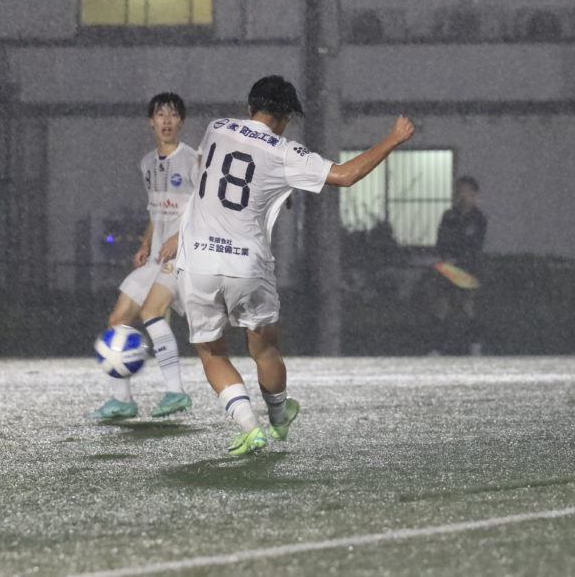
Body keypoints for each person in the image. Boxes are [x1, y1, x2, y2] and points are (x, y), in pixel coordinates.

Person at [173, 75, 415, 456]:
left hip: (198, 260)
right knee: (265, 350)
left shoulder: (217, 128)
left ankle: (249, 428)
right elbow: (346, 175)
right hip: (246, 266)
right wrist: (393, 138)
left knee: (213, 353)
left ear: (249, 107)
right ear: (285, 117)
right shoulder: (285, 152)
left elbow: (211, 175)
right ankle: (278, 415)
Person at [87, 92, 196, 421]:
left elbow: (206, 210)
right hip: (156, 259)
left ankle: (176, 392)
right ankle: (123, 401)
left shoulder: (194, 160)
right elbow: (156, 209)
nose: (167, 121)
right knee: (118, 319)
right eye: (161, 114)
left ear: (181, 121)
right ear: (151, 121)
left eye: (173, 114)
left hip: (183, 256)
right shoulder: (147, 163)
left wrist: (178, 237)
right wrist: (146, 242)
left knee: (151, 312)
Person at [432, 175, 488, 355]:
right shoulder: (449, 216)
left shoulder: (478, 218)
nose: (464, 195)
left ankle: (475, 345)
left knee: (468, 305)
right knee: (442, 305)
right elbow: (442, 239)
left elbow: (475, 244)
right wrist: (446, 257)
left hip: (469, 266)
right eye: (461, 191)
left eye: (468, 191)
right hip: (448, 265)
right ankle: (437, 347)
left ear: (475, 194)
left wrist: (460, 257)